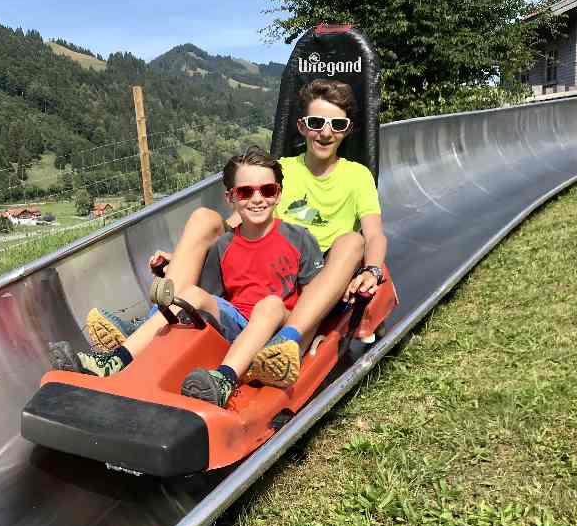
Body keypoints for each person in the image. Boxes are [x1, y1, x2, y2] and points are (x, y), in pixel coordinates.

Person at [84, 79, 388, 387]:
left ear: (347, 129)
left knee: (353, 240)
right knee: (204, 218)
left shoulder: (356, 175)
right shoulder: (281, 170)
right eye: (316, 122)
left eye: (337, 124)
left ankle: (287, 342)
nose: (325, 132)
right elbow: (236, 223)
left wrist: (373, 271)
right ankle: (152, 322)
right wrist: (187, 256)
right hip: (266, 261)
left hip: (320, 276)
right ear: (302, 126)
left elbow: (374, 233)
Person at [53, 146, 324, 407]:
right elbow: (206, 298)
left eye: (267, 190)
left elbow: (316, 296)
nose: (257, 199)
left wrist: (315, 337)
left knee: (270, 304)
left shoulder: (298, 238)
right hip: (238, 325)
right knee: (191, 295)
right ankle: (115, 361)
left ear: (278, 194)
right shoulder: (224, 247)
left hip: (277, 332)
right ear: (230, 198)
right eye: (245, 192)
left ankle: (224, 381)